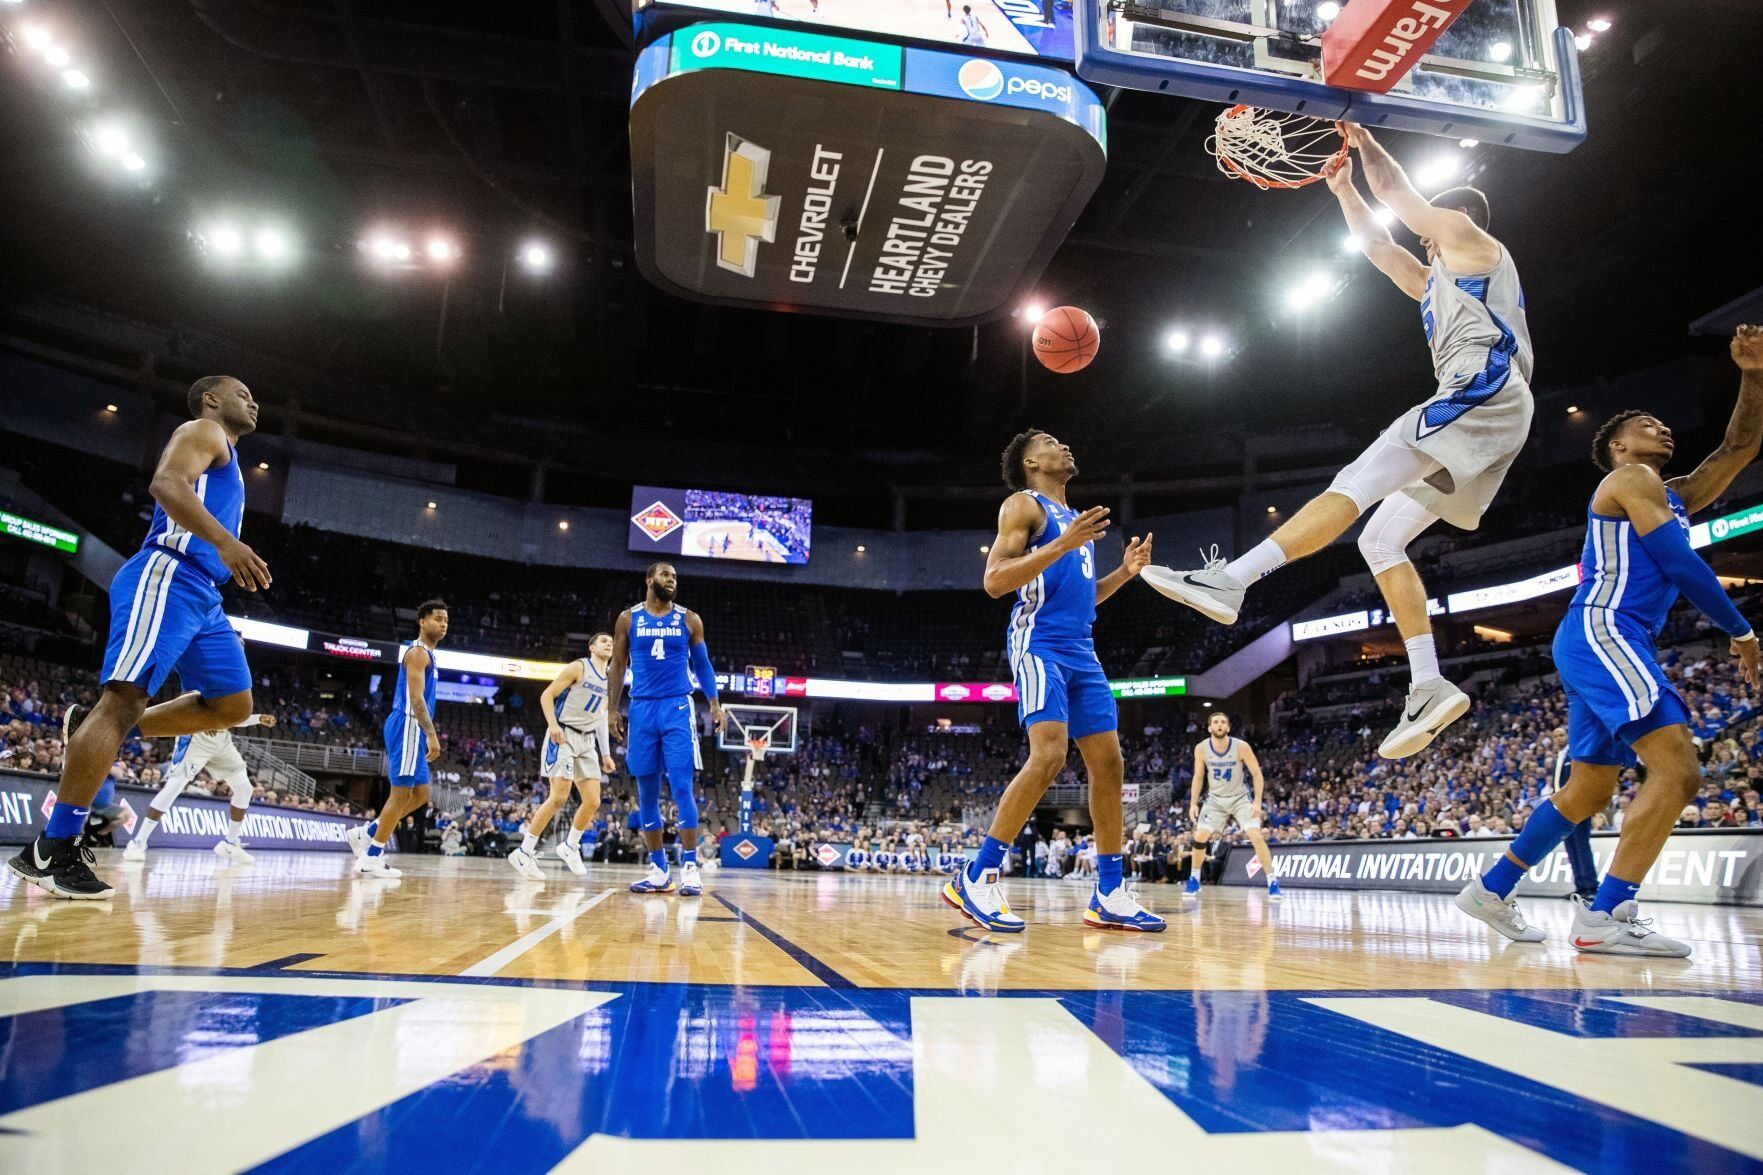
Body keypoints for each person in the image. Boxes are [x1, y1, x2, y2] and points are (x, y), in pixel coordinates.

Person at [1144, 124, 1534, 761]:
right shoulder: (1438, 281)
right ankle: (1429, 682)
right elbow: (1380, 247)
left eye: (1431, 222)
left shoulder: (1472, 241)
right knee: (1381, 540)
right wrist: (1343, 187)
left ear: (1454, 218)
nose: (1422, 231)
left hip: (1482, 386)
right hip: (1495, 409)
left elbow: (1398, 193)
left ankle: (1234, 580)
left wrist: (1361, 134)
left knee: (1353, 483)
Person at [1455, 325, 1763, 957]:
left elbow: (1738, 447)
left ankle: (1492, 888)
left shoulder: (1672, 493)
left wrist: (1753, 376)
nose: (1664, 429)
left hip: (1598, 638)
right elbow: (1680, 565)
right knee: (1678, 768)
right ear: (1620, 446)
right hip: (1607, 629)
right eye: (1648, 424)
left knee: (1591, 788)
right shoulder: (1631, 481)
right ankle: (1609, 911)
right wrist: (1743, 632)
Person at [9, 376, 270, 899]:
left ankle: (92, 728)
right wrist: (227, 543)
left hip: (204, 596)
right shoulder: (205, 429)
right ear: (212, 399)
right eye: (242, 392)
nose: (254, 401)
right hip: (168, 574)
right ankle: (52, 849)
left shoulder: (230, 459)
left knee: (233, 704)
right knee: (124, 697)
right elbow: (166, 485)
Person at [942, 429, 1165, 933]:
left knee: (1109, 762)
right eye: (1050, 441)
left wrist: (1125, 573)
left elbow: (1085, 600)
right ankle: (975, 876)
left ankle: (1109, 892)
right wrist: (1062, 543)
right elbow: (995, 581)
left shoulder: (1075, 520)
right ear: (1030, 463)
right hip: (1039, 643)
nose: (1064, 445)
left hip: (1081, 649)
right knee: (1049, 755)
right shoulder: (1023, 506)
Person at [607, 562, 725, 897]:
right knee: (645, 793)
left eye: (674, 577)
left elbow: (702, 664)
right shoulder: (628, 618)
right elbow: (617, 665)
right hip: (641, 708)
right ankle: (659, 870)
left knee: (681, 787)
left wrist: (714, 702)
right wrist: (612, 708)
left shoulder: (690, 619)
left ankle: (690, 866)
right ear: (649, 580)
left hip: (677, 707)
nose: (671, 580)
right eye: (665, 576)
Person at [349, 600, 449, 878]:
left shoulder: (430, 654)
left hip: (414, 727)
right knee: (401, 793)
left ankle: (366, 833)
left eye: (446, 621)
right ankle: (371, 856)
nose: (443, 624)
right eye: (437, 619)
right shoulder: (417, 653)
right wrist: (431, 734)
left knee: (421, 794)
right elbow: (416, 699)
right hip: (408, 724)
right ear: (422, 621)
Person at [509, 633, 616, 881]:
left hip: (588, 740)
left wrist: (606, 753)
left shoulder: (612, 678)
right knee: (558, 797)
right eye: (603, 641)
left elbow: (601, 717)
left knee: (592, 801)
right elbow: (546, 695)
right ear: (591, 647)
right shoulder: (578, 666)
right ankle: (524, 852)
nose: (609, 643)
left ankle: (570, 846)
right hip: (564, 734)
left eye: (611, 641)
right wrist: (553, 725)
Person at [123, 710, 278, 862]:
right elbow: (185, 700)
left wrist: (257, 718)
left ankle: (229, 844)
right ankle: (138, 842)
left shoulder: (241, 687)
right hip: (196, 735)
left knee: (245, 789)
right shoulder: (202, 684)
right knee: (174, 786)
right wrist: (204, 721)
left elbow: (231, 715)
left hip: (221, 740)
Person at [1185, 711, 1281, 900]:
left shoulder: (1241, 746)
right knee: (1200, 836)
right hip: (1215, 800)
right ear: (1210, 727)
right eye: (1215, 722)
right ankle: (1194, 880)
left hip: (1240, 798)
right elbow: (1198, 776)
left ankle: (1273, 882)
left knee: (1256, 835)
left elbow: (1257, 774)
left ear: (1228, 727)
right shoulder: (1201, 748)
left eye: (1223, 722)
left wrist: (1257, 802)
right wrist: (1193, 803)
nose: (1219, 725)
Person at [1546, 725, 1599, 901]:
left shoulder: (1575, 754)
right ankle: (1580, 886)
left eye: (1561, 735)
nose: (1558, 738)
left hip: (1578, 807)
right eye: (1555, 736)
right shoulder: (1558, 757)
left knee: (1582, 847)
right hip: (1563, 809)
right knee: (1571, 848)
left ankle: (1591, 886)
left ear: (1568, 736)